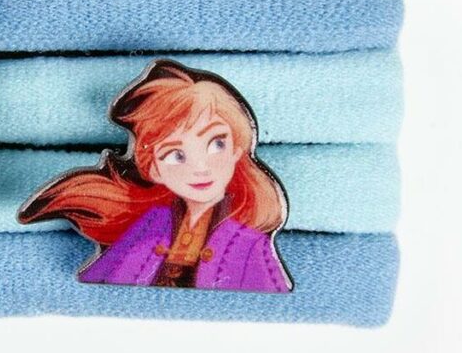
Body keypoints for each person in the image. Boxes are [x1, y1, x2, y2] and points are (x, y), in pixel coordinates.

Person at [18, 59, 292, 292]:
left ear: (237, 148)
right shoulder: (149, 225)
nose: (200, 167)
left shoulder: (248, 243)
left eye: (216, 143)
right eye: (175, 155)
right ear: (154, 169)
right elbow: (109, 272)